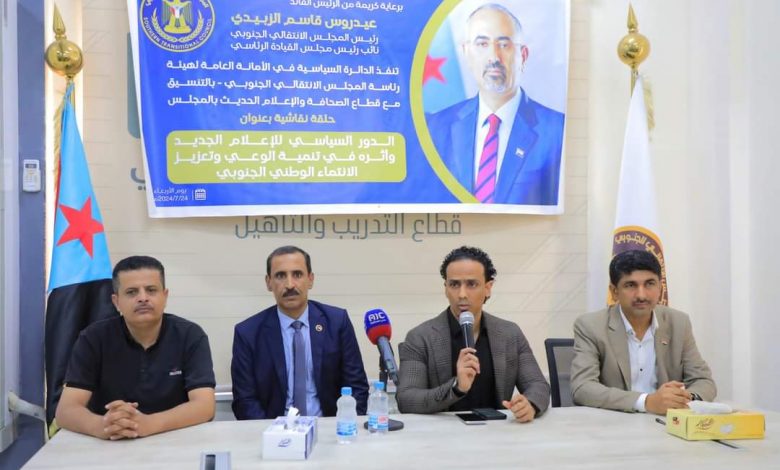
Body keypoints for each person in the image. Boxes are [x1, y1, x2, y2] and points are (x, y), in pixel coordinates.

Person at [55, 256, 216, 440]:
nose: (143, 298)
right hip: (111, 442)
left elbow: (204, 406)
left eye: (151, 290)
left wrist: (148, 424)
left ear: (165, 296)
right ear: (116, 301)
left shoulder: (190, 335)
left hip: (175, 439)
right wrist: (103, 426)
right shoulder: (93, 338)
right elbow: (66, 411)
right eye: (132, 292)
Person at [425, 3, 565, 205]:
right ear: (466, 53)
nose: (493, 57)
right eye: (482, 44)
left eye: (504, 44)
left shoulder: (558, 131)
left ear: (523, 55)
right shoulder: (436, 128)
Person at [396, 246, 550, 422]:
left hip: (497, 431)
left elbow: (538, 385)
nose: (462, 294)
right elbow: (407, 399)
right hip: (442, 433)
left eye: (471, 284)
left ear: (488, 288)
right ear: (446, 288)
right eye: (454, 284)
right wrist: (456, 387)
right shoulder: (420, 337)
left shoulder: (509, 333)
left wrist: (529, 404)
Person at [231, 245, 369, 419]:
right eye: (280, 276)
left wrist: (344, 427)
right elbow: (244, 400)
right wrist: (270, 432)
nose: (290, 285)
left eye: (297, 274)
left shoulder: (336, 322)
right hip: (273, 428)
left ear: (310, 279)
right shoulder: (248, 333)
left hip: (329, 427)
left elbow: (356, 387)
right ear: (268, 282)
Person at [570, 250, 716, 414]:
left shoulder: (678, 322)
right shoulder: (590, 326)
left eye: (649, 284)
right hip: (614, 421)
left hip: (665, 422)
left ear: (660, 288)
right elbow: (582, 388)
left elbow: (703, 380)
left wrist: (683, 399)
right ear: (614, 291)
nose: (641, 295)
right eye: (630, 285)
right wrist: (646, 402)